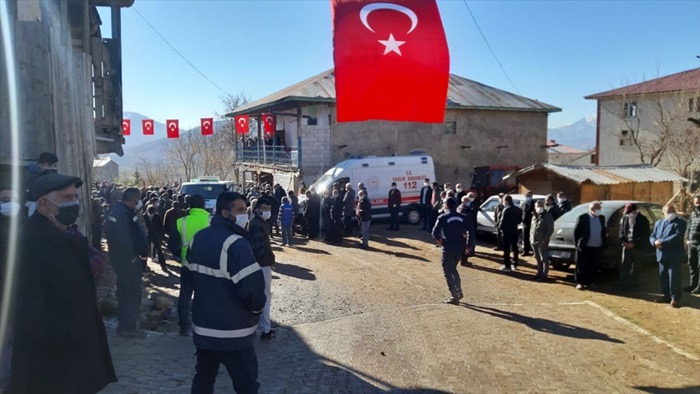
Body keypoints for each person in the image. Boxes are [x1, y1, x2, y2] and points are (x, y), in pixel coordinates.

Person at [12, 173, 116, 393]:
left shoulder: (66, 233)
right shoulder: (30, 241)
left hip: (75, 344)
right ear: (43, 204)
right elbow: (29, 303)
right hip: (53, 353)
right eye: (66, 197)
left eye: (75, 197)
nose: (74, 203)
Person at [185, 192, 266, 393]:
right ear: (224, 212)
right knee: (246, 385)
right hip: (234, 333)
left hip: (204, 329)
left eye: (245, 210)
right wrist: (256, 312)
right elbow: (254, 290)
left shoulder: (198, 238)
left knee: (203, 380)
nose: (244, 215)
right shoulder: (237, 244)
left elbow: (188, 279)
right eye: (239, 210)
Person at [104, 187, 150, 338]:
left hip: (123, 260)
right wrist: (132, 258)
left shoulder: (120, 211)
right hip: (127, 261)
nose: (139, 202)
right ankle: (128, 327)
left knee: (126, 292)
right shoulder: (123, 214)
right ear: (133, 199)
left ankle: (125, 324)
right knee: (132, 293)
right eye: (138, 199)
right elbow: (124, 240)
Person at [176, 194, 210, 336]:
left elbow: (172, 243)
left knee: (185, 296)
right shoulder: (211, 220)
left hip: (187, 263)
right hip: (207, 264)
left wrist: (182, 253)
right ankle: (203, 324)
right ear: (203, 205)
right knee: (205, 295)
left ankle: (184, 326)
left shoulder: (181, 221)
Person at [432, 197, 472, 305]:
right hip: (459, 248)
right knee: (453, 268)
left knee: (447, 271)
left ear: (446, 205)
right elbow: (471, 231)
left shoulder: (443, 217)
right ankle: (458, 292)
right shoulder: (463, 217)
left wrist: (441, 241)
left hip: (448, 247)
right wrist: (468, 245)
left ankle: (454, 296)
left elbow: (434, 232)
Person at [0, 184, 20, 391]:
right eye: (3, 200)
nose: (8, 205)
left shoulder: (24, 228)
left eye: (11, 200)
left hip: (16, 296)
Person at [248, 197, 276, 340]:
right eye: (265, 208)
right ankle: (266, 329)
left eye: (269, 209)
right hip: (262, 264)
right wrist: (270, 257)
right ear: (257, 209)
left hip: (260, 264)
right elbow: (259, 247)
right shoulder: (258, 225)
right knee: (265, 297)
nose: (267, 211)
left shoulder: (259, 222)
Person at [650, 204, 687, 307]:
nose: (671, 214)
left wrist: (661, 242)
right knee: (663, 276)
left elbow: (677, 236)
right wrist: (654, 242)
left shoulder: (680, 223)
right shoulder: (659, 223)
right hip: (661, 255)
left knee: (674, 277)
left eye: (673, 211)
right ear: (663, 213)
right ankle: (666, 295)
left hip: (674, 255)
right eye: (668, 212)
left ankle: (675, 298)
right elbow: (652, 235)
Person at [573, 201, 607, 291]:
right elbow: (576, 232)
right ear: (592, 209)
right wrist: (577, 244)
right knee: (582, 265)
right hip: (585, 246)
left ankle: (590, 282)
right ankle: (580, 282)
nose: (599, 211)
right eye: (598, 209)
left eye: (600, 209)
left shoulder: (602, 218)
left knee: (593, 266)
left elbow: (603, 231)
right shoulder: (583, 218)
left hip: (598, 246)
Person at [618, 203, 650, 289]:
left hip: (638, 247)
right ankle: (623, 283)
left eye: (631, 212)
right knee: (625, 265)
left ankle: (634, 284)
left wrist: (634, 243)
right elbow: (621, 230)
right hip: (626, 245)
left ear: (635, 211)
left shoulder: (642, 220)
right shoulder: (625, 218)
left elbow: (644, 235)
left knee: (637, 266)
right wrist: (624, 242)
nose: (629, 214)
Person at [23, 152, 59, 216]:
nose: (55, 168)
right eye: (54, 165)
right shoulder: (32, 177)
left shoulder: (43, 175)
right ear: (46, 165)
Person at [530, 200, 554, 281]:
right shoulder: (534, 215)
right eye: (537, 206)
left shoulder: (547, 216)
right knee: (537, 258)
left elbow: (550, 229)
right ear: (535, 207)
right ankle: (539, 273)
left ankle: (544, 274)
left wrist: (544, 239)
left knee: (544, 258)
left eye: (541, 206)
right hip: (534, 240)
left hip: (542, 241)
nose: (539, 207)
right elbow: (532, 228)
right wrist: (530, 238)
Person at [498, 195, 521, 272]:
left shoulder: (506, 210)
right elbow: (519, 220)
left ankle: (507, 265)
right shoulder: (518, 209)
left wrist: (500, 228)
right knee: (515, 248)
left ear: (506, 201)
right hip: (514, 230)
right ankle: (515, 263)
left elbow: (502, 222)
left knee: (506, 249)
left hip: (506, 231)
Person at [457, 192, 479, 266]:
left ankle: (464, 259)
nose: (468, 202)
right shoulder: (461, 209)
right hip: (464, 230)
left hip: (467, 228)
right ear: (463, 201)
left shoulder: (467, 208)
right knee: (465, 245)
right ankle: (463, 261)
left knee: (466, 244)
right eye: (467, 201)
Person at [144, 204, 167, 271]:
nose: (151, 214)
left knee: (159, 250)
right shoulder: (144, 216)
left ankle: (163, 265)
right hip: (147, 235)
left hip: (156, 235)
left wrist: (160, 234)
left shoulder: (157, 216)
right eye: (150, 212)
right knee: (145, 251)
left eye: (153, 212)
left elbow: (161, 226)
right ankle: (144, 266)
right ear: (147, 210)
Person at [685, 196, 700, 294]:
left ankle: (699, 287)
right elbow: (689, 226)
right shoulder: (693, 213)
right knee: (692, 264)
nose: (697, 204)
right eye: (696, 202)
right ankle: (693, 284)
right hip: (691, 243)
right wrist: (687, 238)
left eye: (698, 202)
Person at [521, 191, 535, 256]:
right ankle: (525, 251)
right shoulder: (523, 203)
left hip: (533, 223)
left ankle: (534, 252)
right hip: (525, 223)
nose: (528, 197)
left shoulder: (535, 203)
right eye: (527, 196)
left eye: (530, 196)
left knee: (533, 238)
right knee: (525, 237)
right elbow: (521, 212)